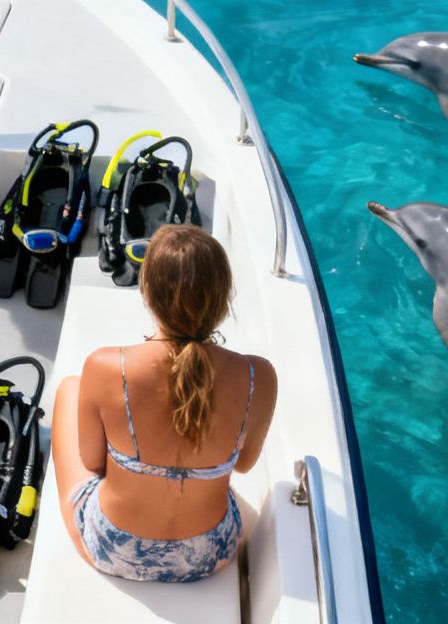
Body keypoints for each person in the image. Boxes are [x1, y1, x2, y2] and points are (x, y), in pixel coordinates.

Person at [49, 224, 278, 583]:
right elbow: (245, 464)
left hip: (116, 551)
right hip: (211, 552)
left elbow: (92, 462)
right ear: (222, 299)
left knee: (69, 389)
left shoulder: (107, 366)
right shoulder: (257, 376)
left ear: (148, 292)